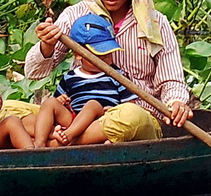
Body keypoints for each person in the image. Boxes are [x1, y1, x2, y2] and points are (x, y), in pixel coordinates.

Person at [3, 0, 193, 142]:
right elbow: (34, 73)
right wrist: (47, 45)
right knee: (7, 109)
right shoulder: (75, 15)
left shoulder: (156, 23)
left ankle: (59, 141)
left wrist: (176, 103)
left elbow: (172, 80)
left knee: (130, 117)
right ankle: (73, 137)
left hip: (132, 116)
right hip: (77, 116)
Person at [31, 13, 137, 147]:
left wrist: (116, 111)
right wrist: (61, 101)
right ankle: (39, 144)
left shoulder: (117, 75)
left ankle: (67, 137)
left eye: (109, 54)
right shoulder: (70, 77)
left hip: (101, 121)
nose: (107, 60)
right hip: (74, 120)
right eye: (100, 56)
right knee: (49, 102)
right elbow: (59, 102)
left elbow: (131, 106)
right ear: (78, 54)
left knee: (93, 104)